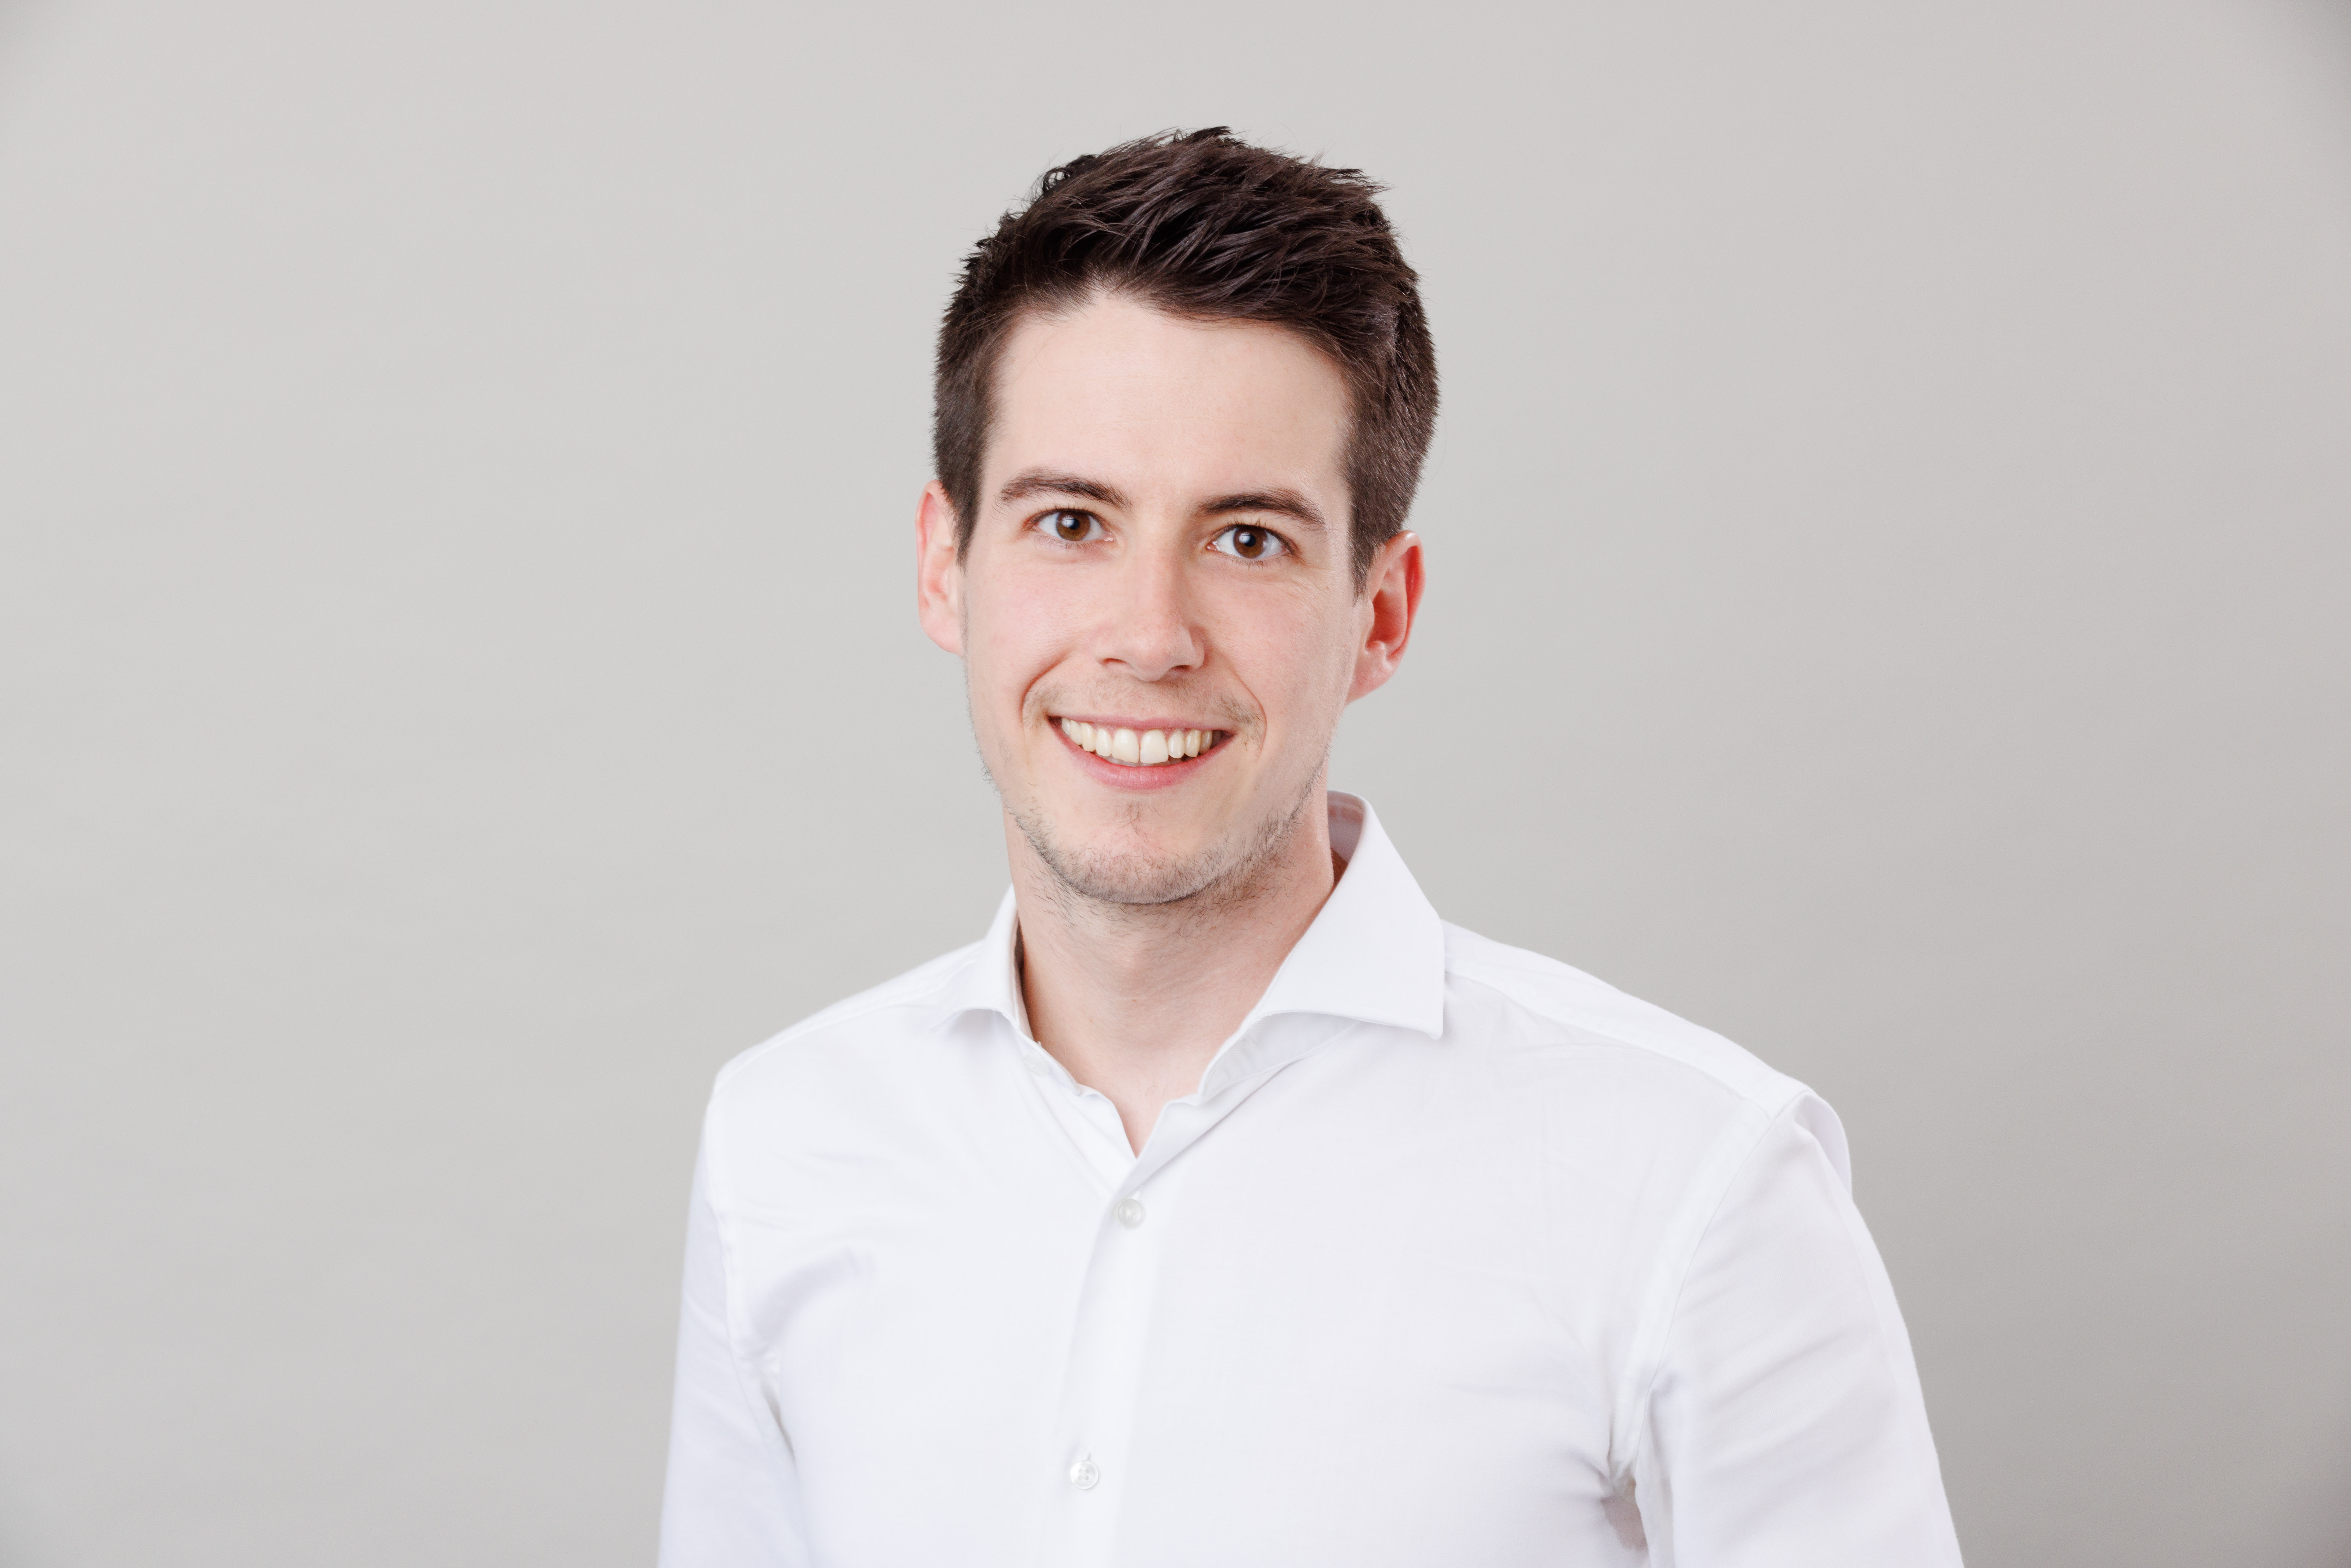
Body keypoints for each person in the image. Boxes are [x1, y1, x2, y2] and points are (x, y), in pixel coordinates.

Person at [658, 128, 1963, 1568]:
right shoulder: (783, 1138)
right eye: (1071, 522)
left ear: (1379, 613)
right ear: (941, 566)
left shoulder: (1696, 1180)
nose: (1149, 637)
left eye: (1247, 539)